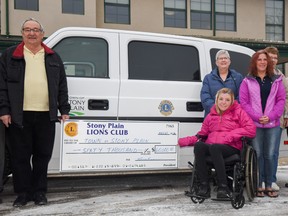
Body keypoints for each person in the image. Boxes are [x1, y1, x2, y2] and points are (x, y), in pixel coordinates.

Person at [0, 18, 71, 207]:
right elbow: (2, 87)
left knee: (42, 156)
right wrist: (4, 110)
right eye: (27, 29)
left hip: (46, 115)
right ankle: (23, 193)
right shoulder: (9, 55)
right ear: (22, 33)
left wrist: (64, 109)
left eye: (36, 30)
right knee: (20, 157)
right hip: (19, 116)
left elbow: (62, 86)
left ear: (42, 33)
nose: (32, 33)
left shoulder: (53, 57)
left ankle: (39, 192)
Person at [178, 88, 256, 199]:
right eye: (221, 99)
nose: (223, 102)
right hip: (213, 147)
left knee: (215, 148)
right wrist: (183, 141)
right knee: (199, 146)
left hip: (230, 147)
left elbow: (251, 129)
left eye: (227, 100)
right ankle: (204, 187)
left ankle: (223, 187)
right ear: (217, 100)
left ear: (232, 101)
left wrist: (231, 135)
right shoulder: (210, 116)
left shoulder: (239, 112)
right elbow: (202, 135)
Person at [239, 50, 285, 198]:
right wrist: (257, 117)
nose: (263, 62)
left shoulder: (277, 80)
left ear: (268, 62)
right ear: (255, 62)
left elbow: (281, 100)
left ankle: (270, 183)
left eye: (265, 59)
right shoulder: (247, 81)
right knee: (257, 154)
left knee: (270, 155)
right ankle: (258, 184)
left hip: (273, 124)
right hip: (255, 124)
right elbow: (244, 102)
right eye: (259, 59)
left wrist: (271, 116)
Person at [264, 46, 288, 191]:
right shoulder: (258, 74)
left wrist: (286, 115)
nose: (273, 60)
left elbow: (286, 97)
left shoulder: (281, 77)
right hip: (259, 119)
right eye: (270, 57)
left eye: (275, 58)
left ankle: (271, 180)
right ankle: (260, 180)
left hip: (276, 120)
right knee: (260, 151)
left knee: (273, 152)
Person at [200, 50, 243, 117]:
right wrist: (217, 109)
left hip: (232, 117)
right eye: (220, 58)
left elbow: (241, 96)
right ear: (216, 62)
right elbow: (205, 97)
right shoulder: (208, 78)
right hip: (213, 117)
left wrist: (230, 109)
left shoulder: (238, 77)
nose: (223, 60)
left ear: (229, 62)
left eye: (225, 58)